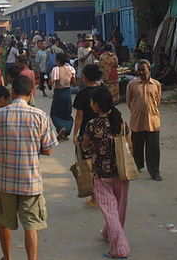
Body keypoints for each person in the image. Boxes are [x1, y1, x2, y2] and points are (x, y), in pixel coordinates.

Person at [0, 76, 58, 260]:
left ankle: (7, 257)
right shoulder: (40, 116)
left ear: (12, 93)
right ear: (31, 93)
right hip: (30, 181)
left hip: (4, 180)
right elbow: (48, 150)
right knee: (31, 225)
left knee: (4, 222)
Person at [82, 86, 131, 260]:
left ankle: (120, 248)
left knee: (110, 210)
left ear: (96, 105)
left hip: (102, 173)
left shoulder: (93, 125)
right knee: (119, 207)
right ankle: (108, 233)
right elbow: (129, 144)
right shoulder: (120, 121)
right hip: (122, 171)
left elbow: (85, 145)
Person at [126, 60, 162, 181]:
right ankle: (137, 166)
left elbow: (158, 101)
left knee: (153, 148)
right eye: (139, 70)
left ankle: (154, 171)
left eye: (143, 69)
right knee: (137, 146)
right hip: (137, 121)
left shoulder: (156, 84)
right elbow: (128, 101)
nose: (141, 72)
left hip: (153, 121)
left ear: (149, 70)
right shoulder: (132, 85)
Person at [73, 63, 102, 206]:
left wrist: (75, 134)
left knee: (88, 164)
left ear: (85, 77)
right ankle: (103, 194)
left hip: (87, 133)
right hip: (103, 132)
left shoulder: (82, 94)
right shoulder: (104, 91)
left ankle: (95, 197)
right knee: (101, 162)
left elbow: (79, 117)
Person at [49, 52, 75, 141]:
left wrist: (49, 81)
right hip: (68, 92)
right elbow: (74, 83)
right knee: (67, 114)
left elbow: (52, 82)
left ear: (58, 60)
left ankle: (60, 128)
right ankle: (66, 130)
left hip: (58, 93)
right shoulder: (71, 69)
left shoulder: (56, 69)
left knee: (54, 113)